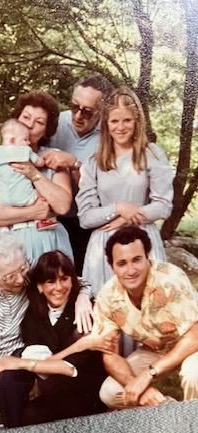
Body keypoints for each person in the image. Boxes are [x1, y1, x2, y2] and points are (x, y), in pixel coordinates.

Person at [0, 232, 94, 433]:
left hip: (20, 348)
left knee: (7, 385)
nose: (21, 279)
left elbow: (68, 280)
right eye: (11, 276)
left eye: (22, 269)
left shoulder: (27, 270)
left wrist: (83, 296)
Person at [0, 250, 113, 426]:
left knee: (37, 413)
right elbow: (43, 367)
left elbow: (69, 369)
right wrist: (77, 346)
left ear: (72, 280)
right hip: (55, 392)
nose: (59, 287)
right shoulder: (32, 316)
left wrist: (18, 363)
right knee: (11, 386)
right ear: (40, 287)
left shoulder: (86, 310)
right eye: (51, 281)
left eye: (64, 279)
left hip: (85, 391)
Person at [76, 86, 174, 295]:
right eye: (114, 121)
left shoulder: (152, 154)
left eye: (127, 120)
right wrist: (118, 208)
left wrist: (127, 219)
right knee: (107, 307)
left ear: (137, 121)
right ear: (106, 123)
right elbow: (85, 218)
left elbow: (163, 206)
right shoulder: (94, 162)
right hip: (104, 246)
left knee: (148, 306)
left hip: (142, 240)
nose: (120, 127)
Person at [93, 226, 198, 408]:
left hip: (190, 345)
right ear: (112, 266)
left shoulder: (170, 278)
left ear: (147, 256)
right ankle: (171, 413)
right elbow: (110, 355)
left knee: (194, 374)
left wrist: (148, 374)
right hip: (153, 350)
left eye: (136, 260)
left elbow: (195, 335)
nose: (130, 270)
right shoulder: (107, 296)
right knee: (110, 391)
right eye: (122, 263)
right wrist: (137, 385)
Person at [0, 90, 74, 266]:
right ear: (16, 118)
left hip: (49, 241)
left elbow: (62, 206)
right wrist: (33, 212)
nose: (30, 125)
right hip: (11, 246)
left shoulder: (54, 157)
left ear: (46, 131)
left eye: (39, 122)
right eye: (26, 117)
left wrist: (34, 173)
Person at [47, 75, 115, 274]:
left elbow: (103, 195)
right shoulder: (55, 123)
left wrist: (75, 165)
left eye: (87, 112)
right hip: (49, 219)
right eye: (74, 106)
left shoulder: (111, 136)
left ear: (103, 111)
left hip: (86, 224)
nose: (78, 116)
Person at [0, 118, 58, 230]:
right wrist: (43, 160)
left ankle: (4, 228)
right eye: (25, 139)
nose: (28, 142)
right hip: (25, 197)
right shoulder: (24, 151)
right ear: (12, 140)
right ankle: (43, 221)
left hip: (3, 200)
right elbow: (39, 162)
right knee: (42, 195)